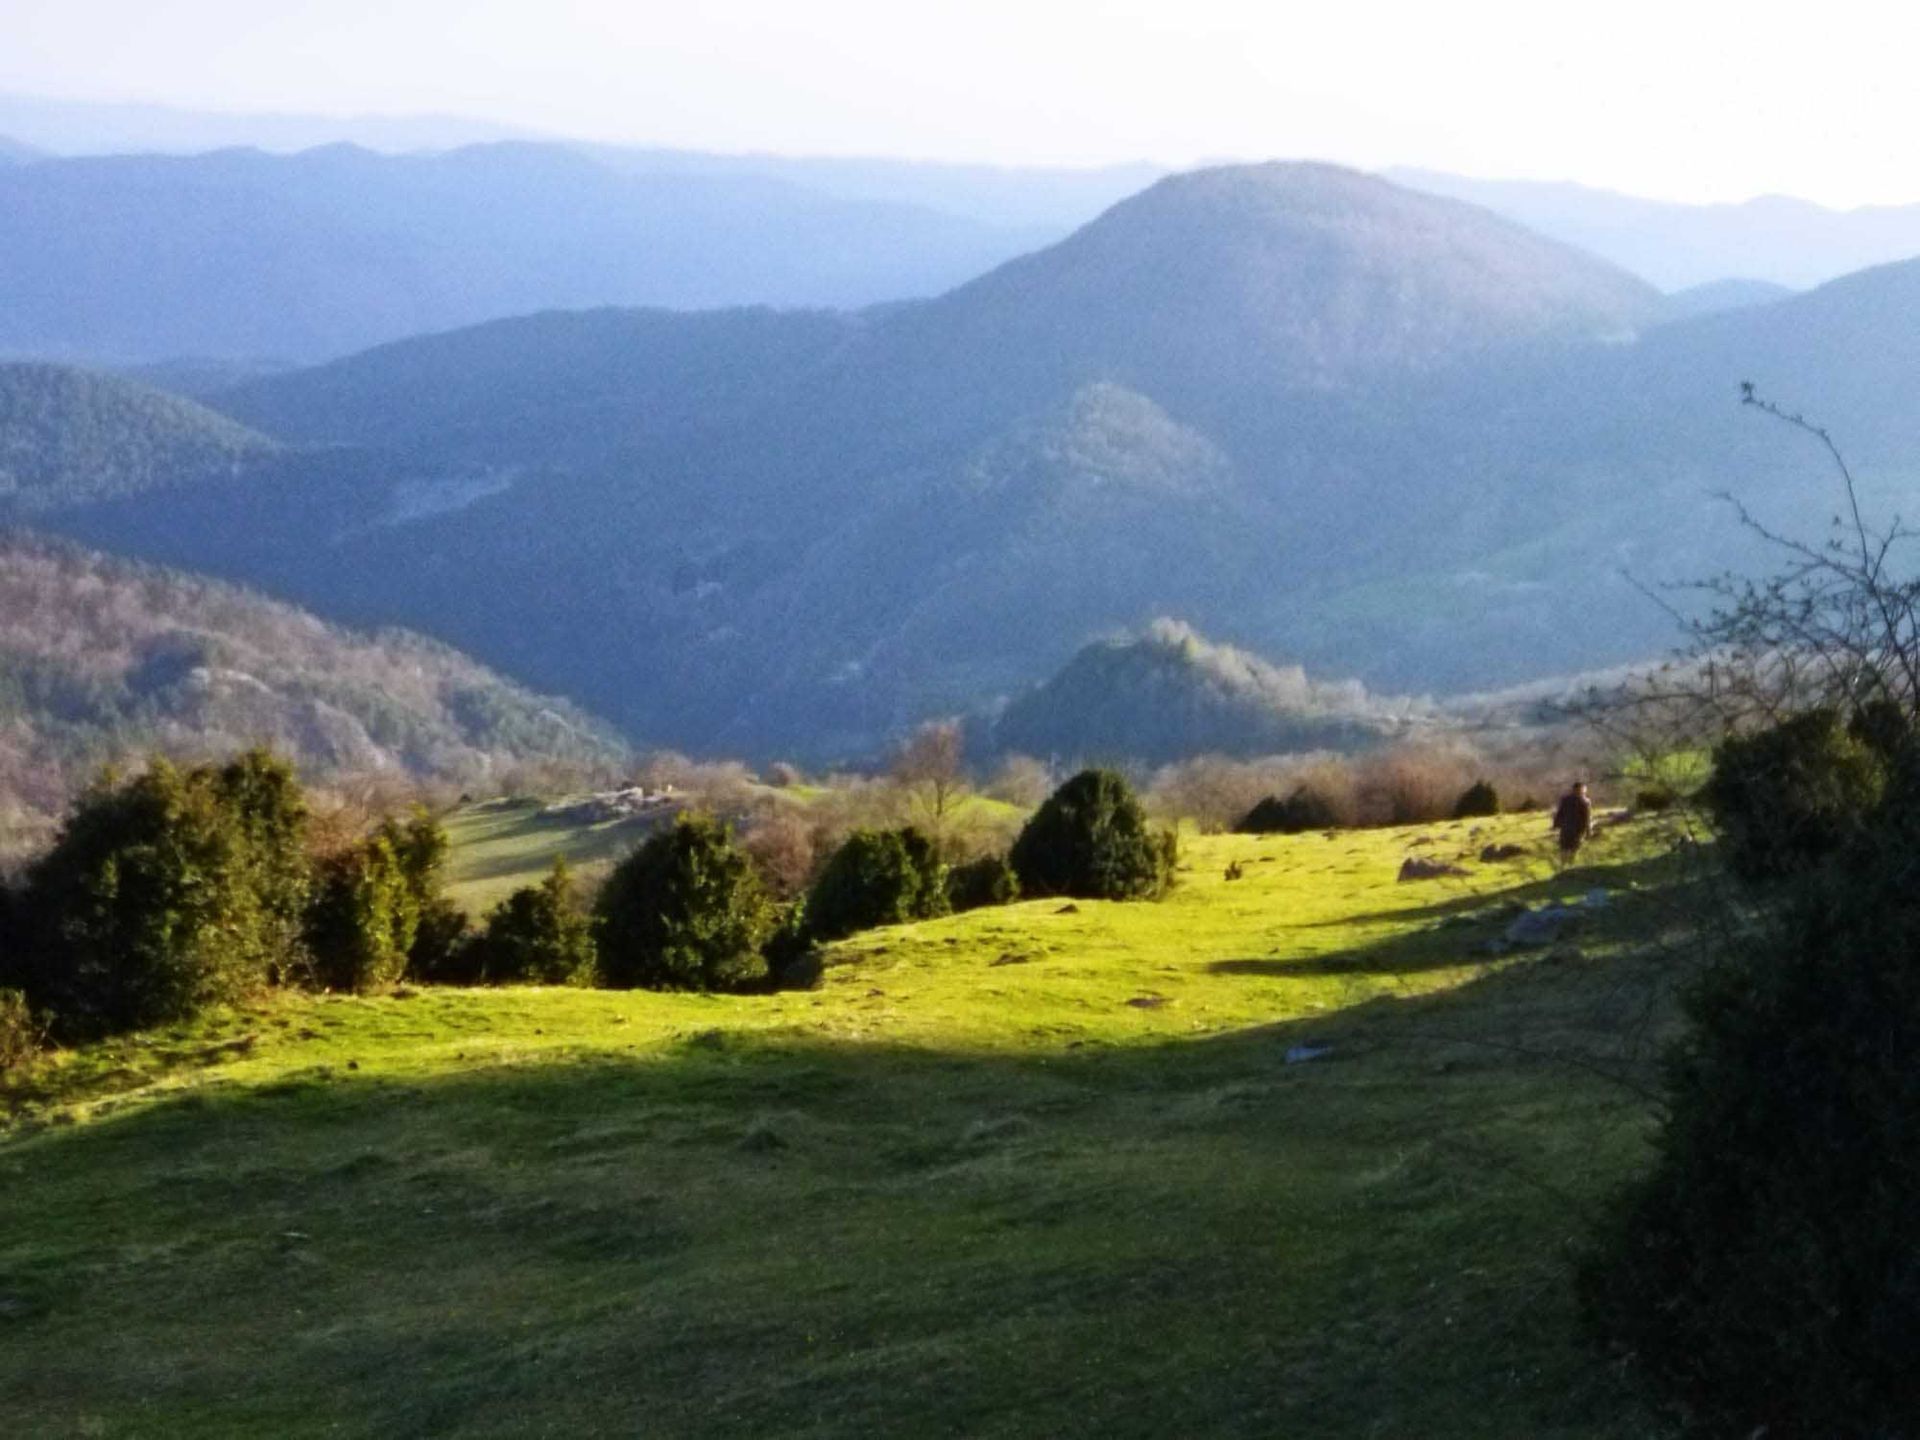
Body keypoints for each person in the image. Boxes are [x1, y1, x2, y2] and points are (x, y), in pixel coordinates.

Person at [1552, 780, 1594, 865]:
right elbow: (1560, 812)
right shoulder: (1584, 801)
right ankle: (1567, 866)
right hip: (1571, 829)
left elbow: (1587, 817)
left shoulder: (1569, 799)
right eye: (1582, 790)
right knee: (1568, 848)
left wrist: (1556, 824)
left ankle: (1567, 866)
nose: (1582, 792)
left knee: (1570, 849)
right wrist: (1589, 830)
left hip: (1574, 829)